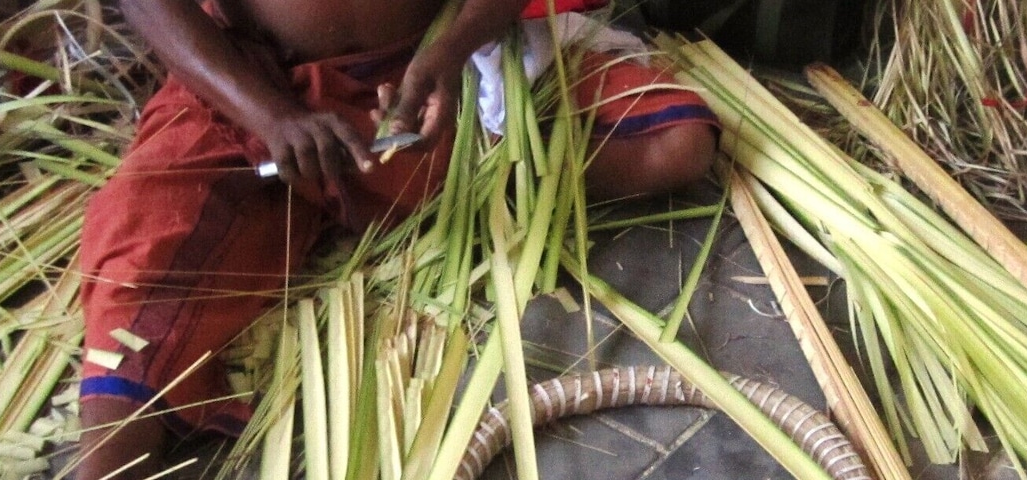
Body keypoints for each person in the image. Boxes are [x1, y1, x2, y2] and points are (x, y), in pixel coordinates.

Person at [73, 0, 719, 477]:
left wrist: (450, 51)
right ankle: (112, 457)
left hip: (429, 75)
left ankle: (446, 175)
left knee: (674, 143)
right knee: (150, 237)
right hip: (258, 83)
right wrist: (269, 115)